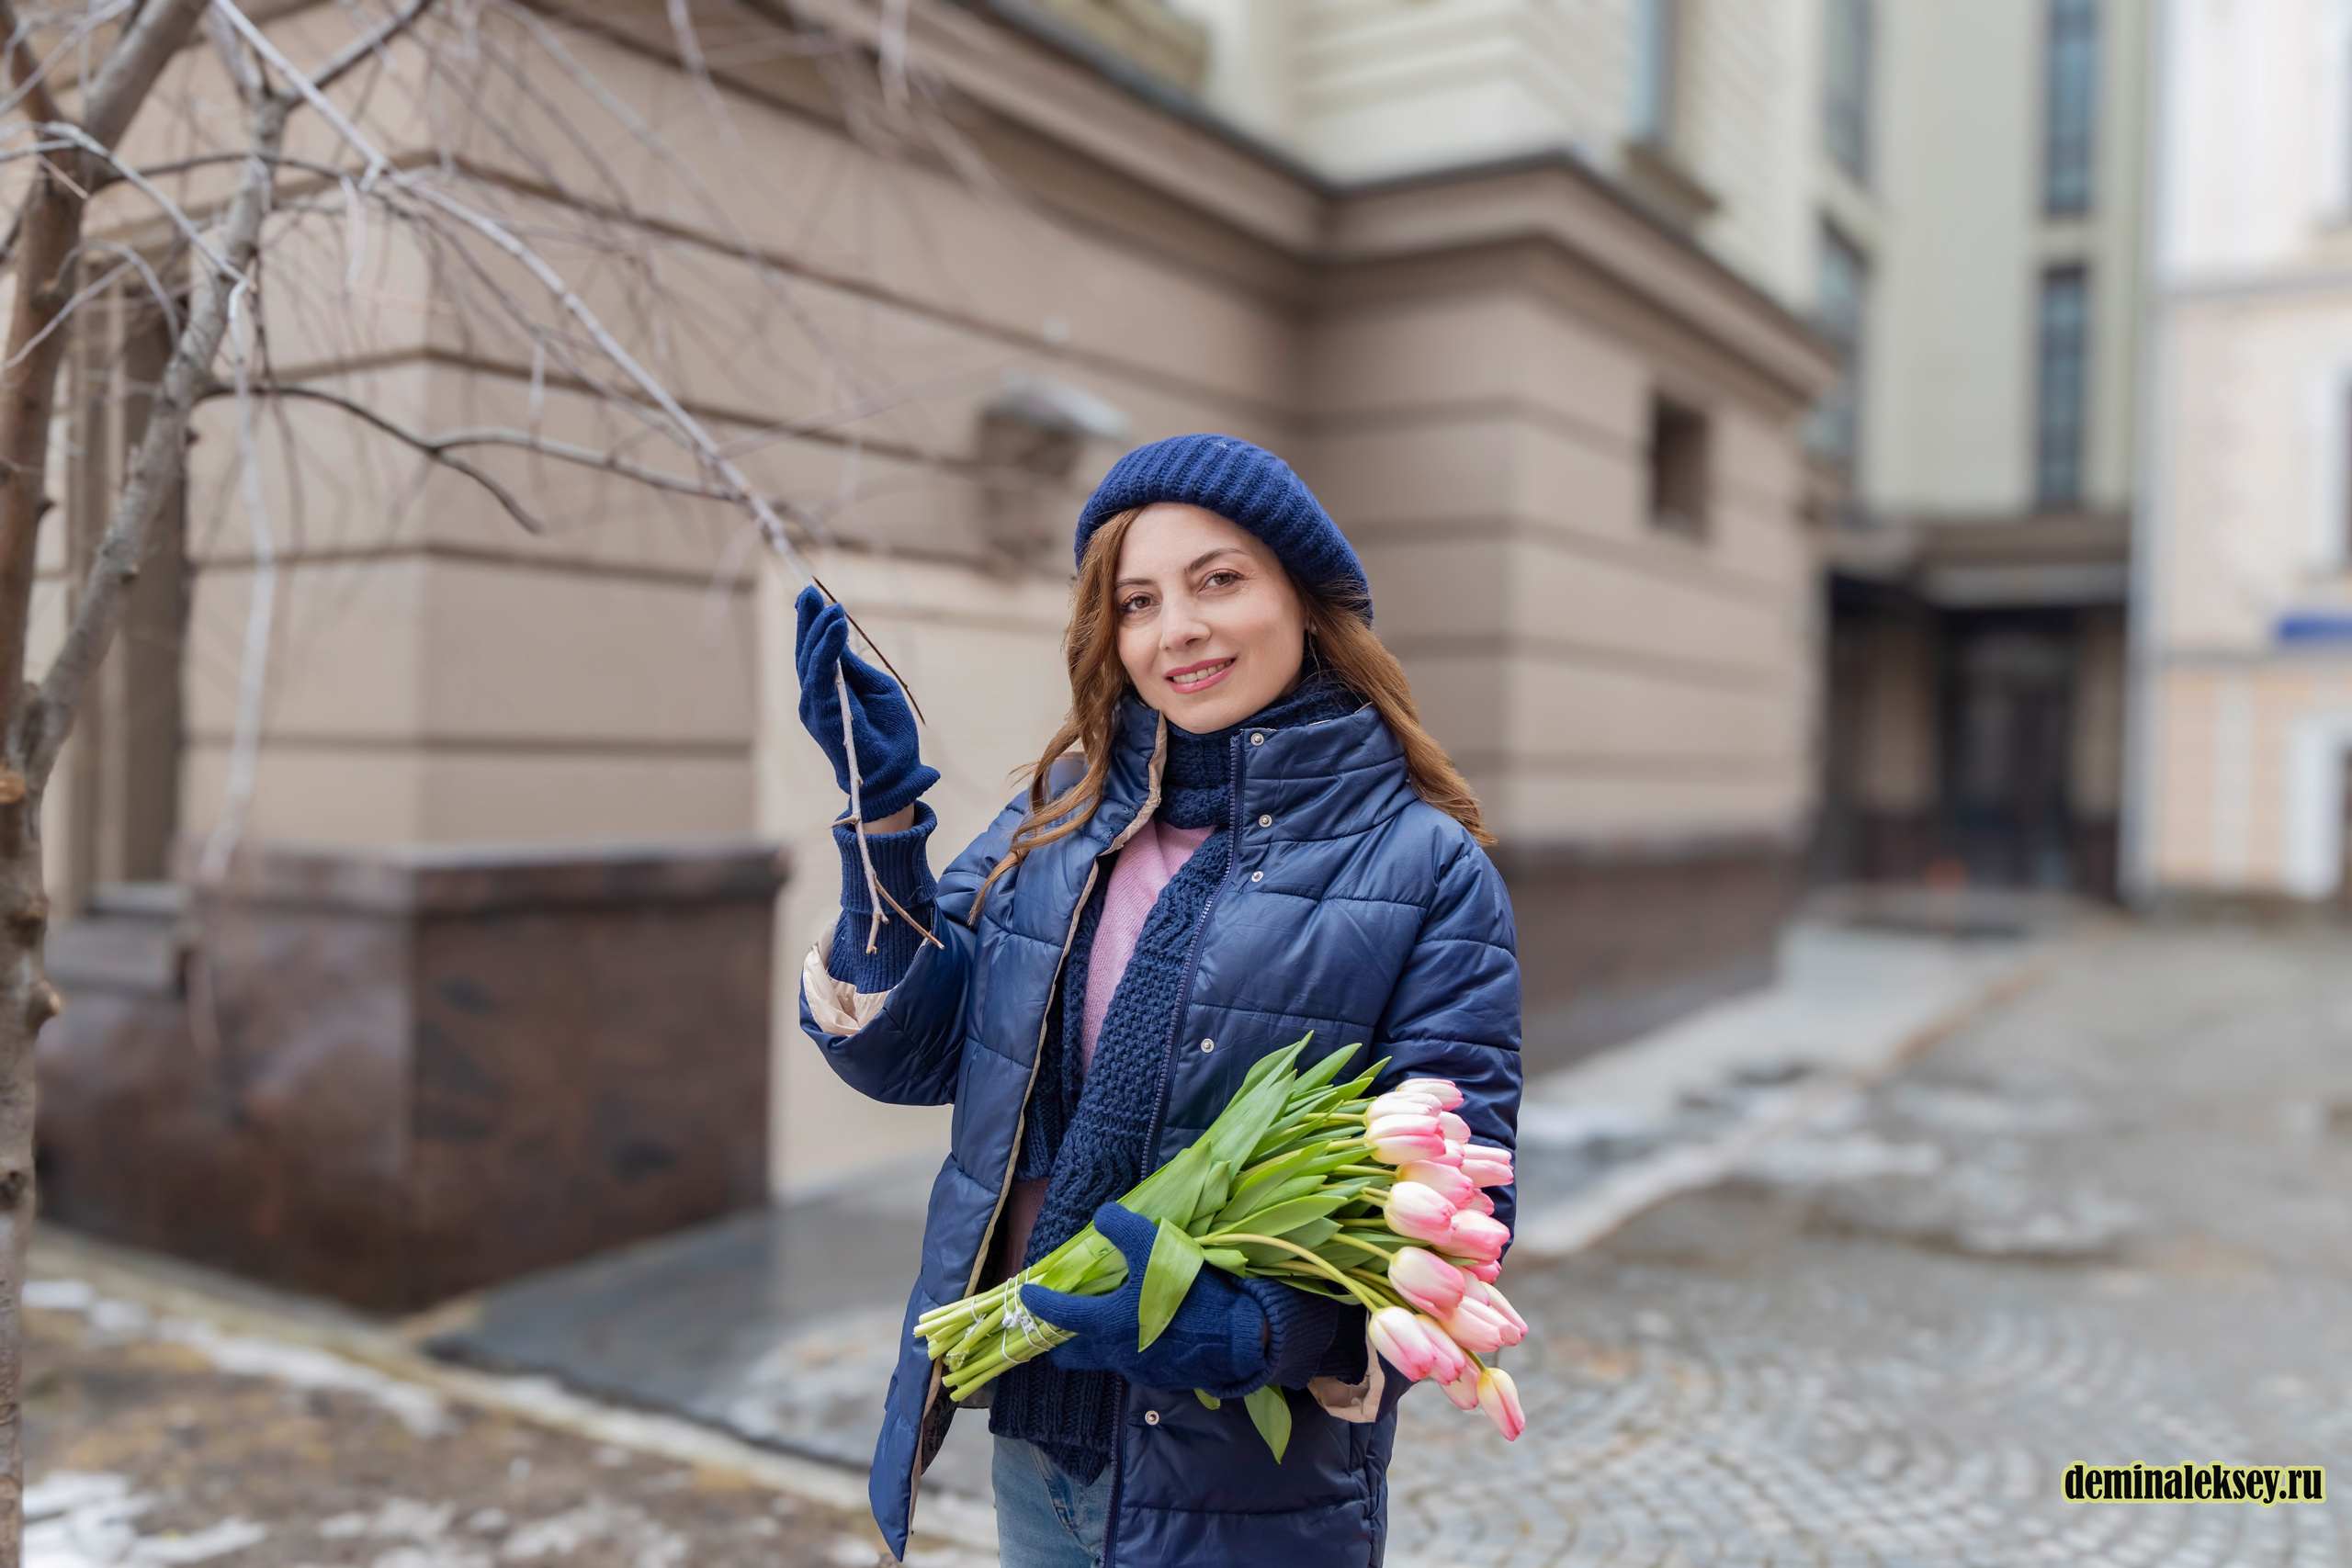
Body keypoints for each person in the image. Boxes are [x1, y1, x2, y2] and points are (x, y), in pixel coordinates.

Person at [796, 434, 1522, 1567]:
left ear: (1306, 599)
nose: (1175, 628)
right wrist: (883, 822)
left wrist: (1249, 1330)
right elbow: (910, 1054)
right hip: (1041, 1446)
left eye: (1218, 580)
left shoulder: (1423, 868)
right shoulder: (1059, 819)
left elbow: (1454, 1204)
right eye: (1136, 601)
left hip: (1239, 1486)